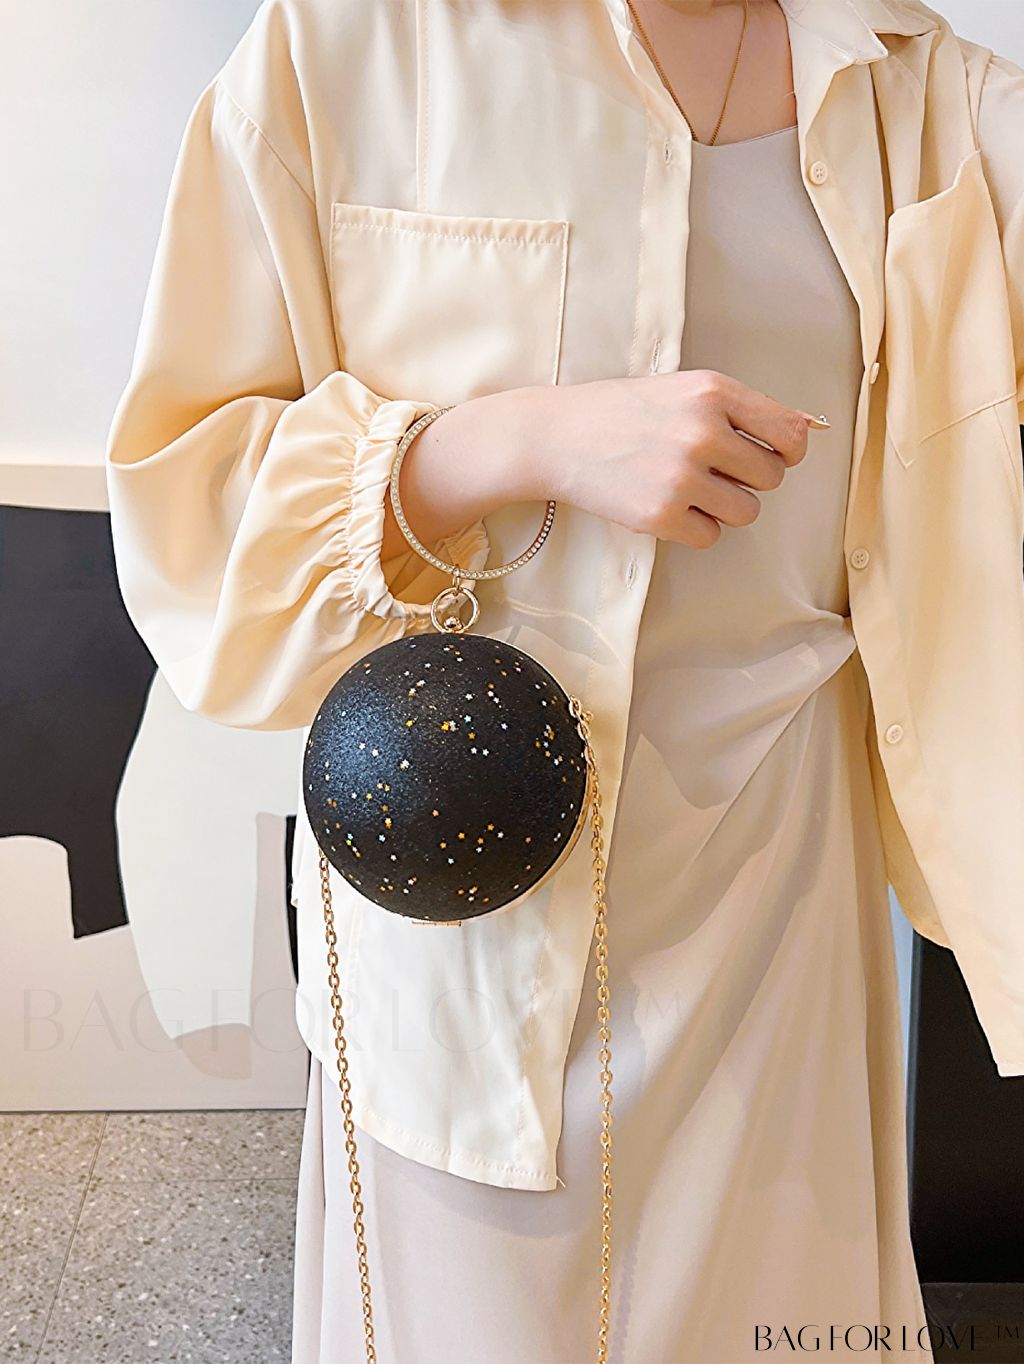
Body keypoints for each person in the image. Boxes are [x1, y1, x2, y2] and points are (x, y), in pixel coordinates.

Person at [105, 1, 1024, 1360]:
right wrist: (507, 443)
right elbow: (186, 507)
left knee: (775, 1307)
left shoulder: (918, 91)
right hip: (465, 880)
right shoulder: (354, 44)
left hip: (775, 882)